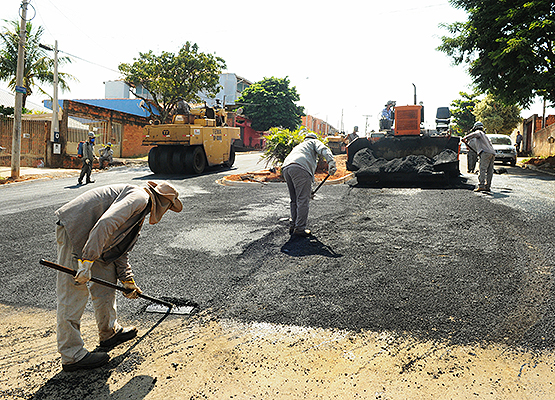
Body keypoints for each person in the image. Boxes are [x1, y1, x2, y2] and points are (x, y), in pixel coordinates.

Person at [54, 181, 183, 372]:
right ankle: (72, 355)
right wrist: (87, 261)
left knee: (106, 281)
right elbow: (106, 223)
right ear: (163, 203)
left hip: (95, 236)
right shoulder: (140, 197)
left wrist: (127, 279)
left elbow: (119, 247)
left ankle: (109, 332)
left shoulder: (140, 209)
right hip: (77, 230)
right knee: (73, 292)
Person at [282, 131, 336, 237]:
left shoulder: (299, 146)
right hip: (300, 167)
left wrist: (308, 191)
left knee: (294, 199)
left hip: (286, 167)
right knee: (302, 199)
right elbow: (324, 149)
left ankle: (293, 224)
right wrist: (331, 162)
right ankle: (300, 229)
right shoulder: (314, 142)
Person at [463, 122, 495, 192]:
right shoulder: (485, 135)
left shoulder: (479, 132)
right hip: (492, 153)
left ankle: (481, 186)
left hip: (485, 153)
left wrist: (465, 137)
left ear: (475, 127)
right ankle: (487, 186)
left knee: (482, 169)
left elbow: (475, 134)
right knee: (490, 170)